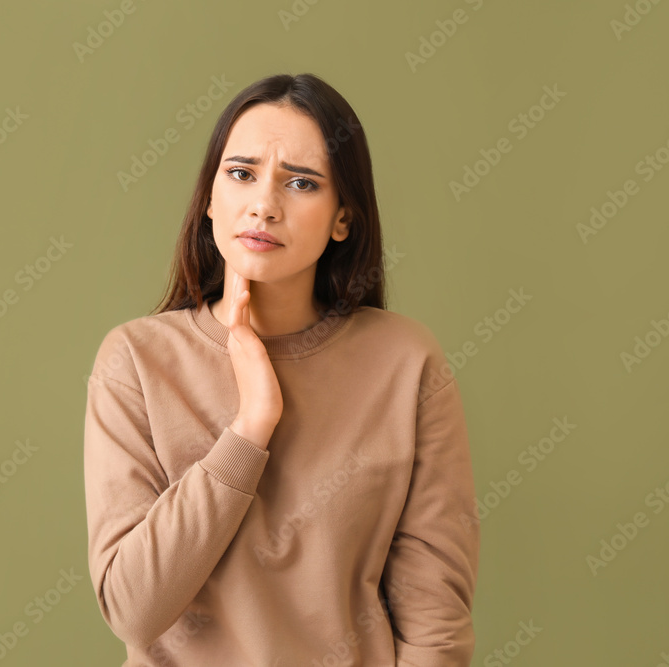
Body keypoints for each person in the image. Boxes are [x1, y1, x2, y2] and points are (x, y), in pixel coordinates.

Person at [84, 72, 480, 666]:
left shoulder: (407, 363)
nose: (264, 205)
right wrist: (250, 427)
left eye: (301, 183)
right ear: (211, 199)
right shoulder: (136, 362)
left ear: (343, 218)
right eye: (241, 174)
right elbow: (133, 609)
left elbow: (435, 623)